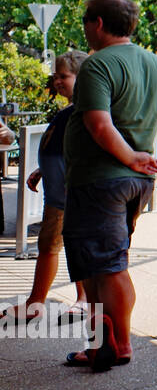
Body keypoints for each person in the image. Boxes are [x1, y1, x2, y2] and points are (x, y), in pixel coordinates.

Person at [61, 0, 157, 371]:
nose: (85, 28)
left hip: (101, 180)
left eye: (86, 21)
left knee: (109, 265)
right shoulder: (156, 64)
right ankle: (102, 342)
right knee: (102, 263)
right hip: (135, 183)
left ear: (98, 24)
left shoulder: (97, 65)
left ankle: (117, 345)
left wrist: (130, 156)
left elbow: (98, 124)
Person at [8, 52, 90, 322]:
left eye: (63, 76)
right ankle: (36, 302)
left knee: (77, 246)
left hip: (72, 192)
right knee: (48, 244)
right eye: (55, 76)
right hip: (57, 192)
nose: (57, 81)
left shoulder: (88, 112)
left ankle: (84, 298)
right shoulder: (70, 111)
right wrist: (43, 169)